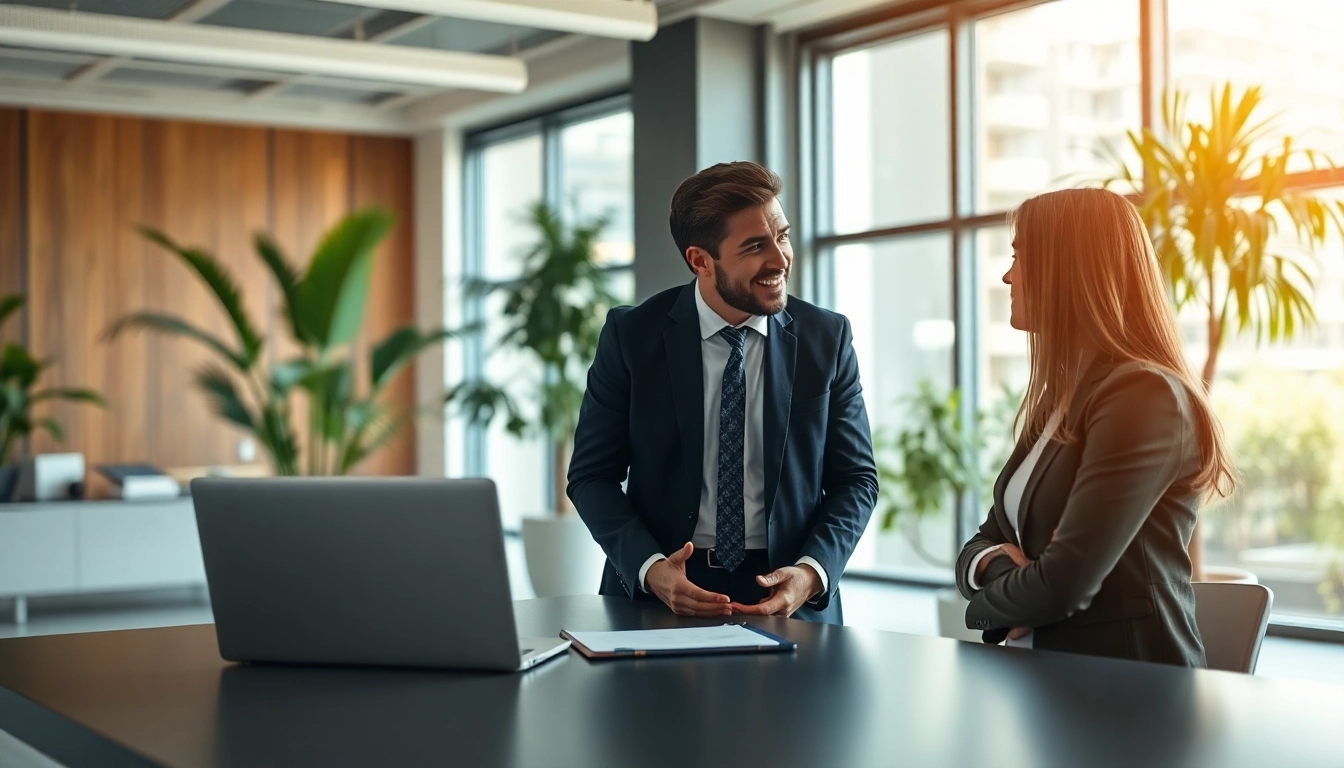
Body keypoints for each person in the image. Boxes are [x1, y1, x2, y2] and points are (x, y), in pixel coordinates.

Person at [567, 161, 878, 624]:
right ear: (700, 260)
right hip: (660, 594)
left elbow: (857, 480)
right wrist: (651, 569)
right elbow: (591, 477)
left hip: (788, 598)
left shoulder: (825, 338)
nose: (780, 259)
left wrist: (812, 573)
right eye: (755, 245)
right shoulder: (632, 336)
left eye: (783, 235)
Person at [955, 187, 1235, 666]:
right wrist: (1002, 567)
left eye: (1020, 256)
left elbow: (1063, 585)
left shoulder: (1144, 397)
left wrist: (987, 601)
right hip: (1048, 686)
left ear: (1069, 268)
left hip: (1129, 693)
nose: (1007, 275)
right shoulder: (1057, 401)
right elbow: (979, 543)